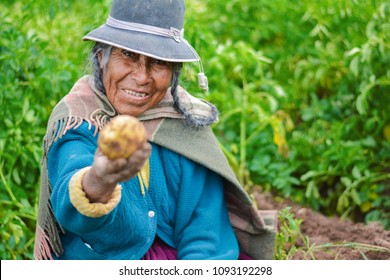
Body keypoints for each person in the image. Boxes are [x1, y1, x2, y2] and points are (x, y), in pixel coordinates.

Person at [34, 0, 276, 260]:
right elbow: (71, 198)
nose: (141, 77)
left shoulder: (186, 123)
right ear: (101, 56)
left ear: (174, 71)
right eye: (128, 55)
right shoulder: (79, 117)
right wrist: (100, 181)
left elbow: (206, 235)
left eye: (158, 62)